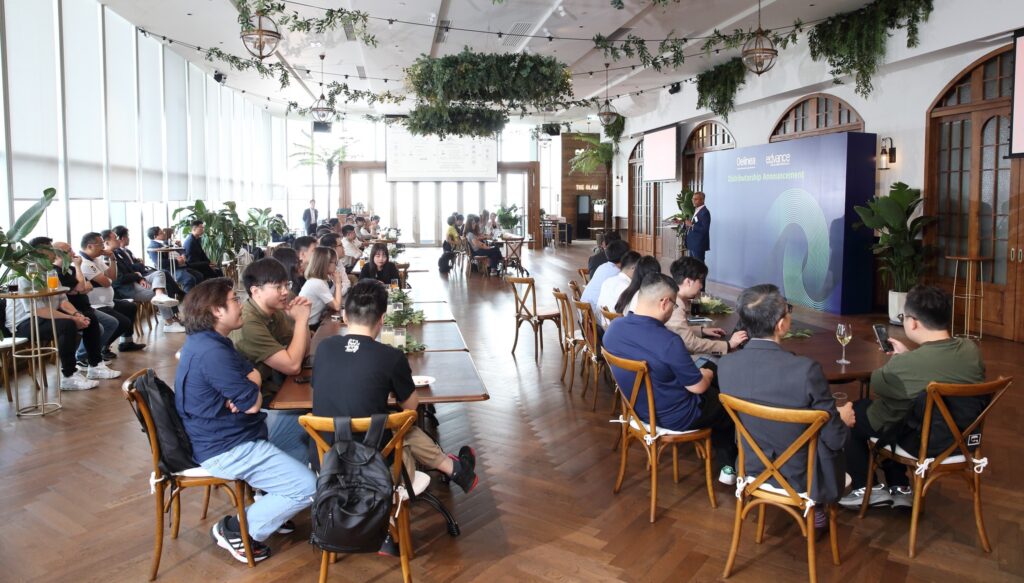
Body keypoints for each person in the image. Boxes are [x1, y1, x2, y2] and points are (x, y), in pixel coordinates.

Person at [175, 277, 316, 564]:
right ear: (216, 311)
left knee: (298, 422)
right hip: (227, 446)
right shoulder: (213, 352)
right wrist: (251, 391)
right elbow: (252, 403)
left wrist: (249, 385)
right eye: (234, 300)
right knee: (308, 488)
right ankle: (237, 528)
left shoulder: (212, 342)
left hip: (233, 433)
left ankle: (272, 501)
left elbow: (252, 373)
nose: (240, 305)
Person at [312, 280, 478, 492]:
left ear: (344, 316)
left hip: (326, 468)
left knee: (386, 424)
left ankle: (456, 469)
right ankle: (455, 469)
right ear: (382, 319)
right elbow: (411, 408)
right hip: (376, 476)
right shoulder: (390, 356)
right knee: (402, 428)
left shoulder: (324, 348)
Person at [839, 285, 986, 509]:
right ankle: (900, 487)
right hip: (963, 440)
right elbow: (936, 368)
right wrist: (908, 356)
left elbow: (877, 385)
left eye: (904, 317)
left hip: (924, 443)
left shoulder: (905, 365)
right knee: (900, 407)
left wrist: (901, 360)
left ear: (914, 322)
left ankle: (867, 488)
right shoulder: (971, 350)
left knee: (856, 412)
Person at [718, 284, 853, 525]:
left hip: (751, 468)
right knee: (837, 431)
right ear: (781, 325)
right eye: (788, 310)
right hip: (803, 476)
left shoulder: (726, 365)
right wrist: (841, 418)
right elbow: (836, 440)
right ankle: (816, 505)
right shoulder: (805, 370)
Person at [603, 273, 738, 483]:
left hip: (637, 411)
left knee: (708, 376)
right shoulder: (669, 341)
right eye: (674, 305)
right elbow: (698, 388)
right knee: (727, 404)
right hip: (677, 416)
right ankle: (728, 468)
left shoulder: (614, 329)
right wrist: (708, 373)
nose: (673, 310)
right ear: (664, 302)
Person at [229, 259, 312, 463]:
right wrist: (301, 320)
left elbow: (302, 352)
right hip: (250, 407)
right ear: (256, 291)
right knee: (315, 419)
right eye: (278, 287)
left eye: (286, 285)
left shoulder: (274, 313)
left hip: (272, 389)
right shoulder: (248, 323)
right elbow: (293, 366)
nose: (285, 292)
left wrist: (302, 321)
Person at [4, 239, 115, 389]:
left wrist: (76, 314)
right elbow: (38, 310)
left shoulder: (50, 272)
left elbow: (62, 300)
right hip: (24, 322)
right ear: (40, 252)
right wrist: (71, 318)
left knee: (89, 318)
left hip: (44, 316)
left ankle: (95, 366)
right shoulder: (26, 275)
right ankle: (69, 375)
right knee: (67, 325)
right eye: (51, 250)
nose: (54, 253)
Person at [106, 227, 184, 333]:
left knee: (160, 273)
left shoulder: (118, 253)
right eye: (115, 238)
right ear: (107, 242)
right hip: (126, 288)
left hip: (136, 280)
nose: (117, 240)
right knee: (162, 289)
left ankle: (164, 305)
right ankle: (169, 322)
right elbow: (118, 280)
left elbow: (131, 269)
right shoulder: (107, 258)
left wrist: (139, 278)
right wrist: (136, 275)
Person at [79, 232, 146, 354]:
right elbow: (106, 282)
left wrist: (112, 259)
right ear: (90, 246)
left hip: (107, 302)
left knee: (130, 307)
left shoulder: (96, 259)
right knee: (122, 322)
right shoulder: (85, 263)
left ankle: (126, 342)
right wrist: (107, 279)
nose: (103, 247)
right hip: (96, 305)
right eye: (100, 244)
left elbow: (112, 277)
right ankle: (100, 349)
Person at [666, 257, 748, 357]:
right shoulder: (676, 307)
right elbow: (691, 344)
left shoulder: (673, 296)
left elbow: (677, 331)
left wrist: (702, 331)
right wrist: (728, 345)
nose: (701, 286)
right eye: (700, 281)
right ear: (688, 282)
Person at [298, 247, 347, 327]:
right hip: (309, 326)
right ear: (326, 264)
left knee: (346, 320)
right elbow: (337, 306)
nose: (336, 266)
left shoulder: (321, 280)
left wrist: (336, 283)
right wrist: (338, 283)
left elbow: (334, 301)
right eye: (335, 263)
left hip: (316, 321)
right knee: (345, 324)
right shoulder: (317, 283)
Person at [580, 239, 628, 316]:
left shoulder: (602, 266)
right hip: (595, 316)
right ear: (625, 257)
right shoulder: (617, 273)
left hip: (584, 312)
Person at [147, 226, 201, 292]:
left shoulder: (166, 242)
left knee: (199, 275)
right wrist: (177, 261)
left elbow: (180, 249)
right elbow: (160, 262)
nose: (164, 233)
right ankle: (187, 297)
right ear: (155, 236)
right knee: (189, 279)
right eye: (161, 233)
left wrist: (183, 255)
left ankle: (196, 296)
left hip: (179, 266)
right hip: (169, 269)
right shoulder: (152, 247)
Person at [597, 251, 640, 325]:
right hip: (616, 328)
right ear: (633, 268)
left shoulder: (608, 280)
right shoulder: (627, 287)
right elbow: (633, 315)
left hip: (603, 325)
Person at [684, 191, 711, 262]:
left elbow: (705, 229)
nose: (693, 201)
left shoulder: (705, 212)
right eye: (693, 199)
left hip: (698, 245)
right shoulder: (697, 210)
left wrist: (691, 225)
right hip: (693, 244)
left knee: (699, 265)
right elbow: (695, 224)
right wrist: (687, 224)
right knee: (693, 265)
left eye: (696, 199)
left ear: (702, 200)